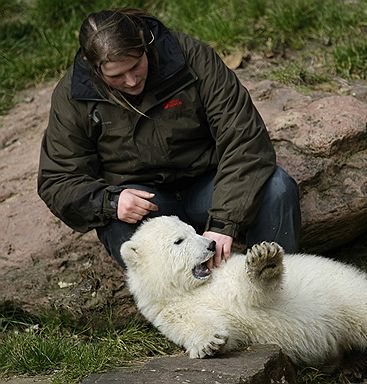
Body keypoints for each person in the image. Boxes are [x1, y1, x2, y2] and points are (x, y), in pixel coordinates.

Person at [37, 8, 301, 269]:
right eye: (116, 76)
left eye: (135, 66)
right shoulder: (73, 97)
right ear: (93, 67)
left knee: (276, 188)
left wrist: (224, 223)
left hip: (209, 183)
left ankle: (268, 290)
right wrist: (110, 201)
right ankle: (190, 309)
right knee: (125, 236)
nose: (131, 81)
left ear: (144, 43)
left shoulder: (191, 57)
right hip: (146, 204)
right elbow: (58, 180)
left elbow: (245, 138)